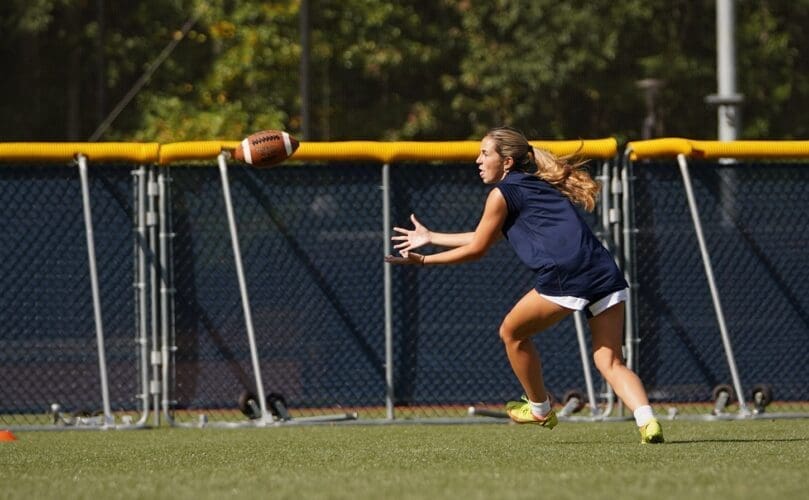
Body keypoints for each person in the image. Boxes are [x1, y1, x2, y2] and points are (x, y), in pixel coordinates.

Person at [384, 126, 663, 444]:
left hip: (566, 275)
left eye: (485, 153)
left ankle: (540, 408)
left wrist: (423, 261)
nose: (478, 159)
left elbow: (477, 249)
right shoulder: (535, 187)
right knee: (610, 360)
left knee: (512, 333)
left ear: (507, 162)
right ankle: (648, 421)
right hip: (602, 269)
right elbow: (482, 236)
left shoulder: (501, 194)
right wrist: (431, 238)